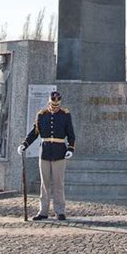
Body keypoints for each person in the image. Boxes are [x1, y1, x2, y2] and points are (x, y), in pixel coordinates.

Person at [18, 90, 75, 221]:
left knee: (58, 183)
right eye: (53, 105)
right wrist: (24, 145)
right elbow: (34, 133)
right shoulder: (41, 115)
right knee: (44, 184)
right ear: (49, 102)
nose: (55, 108)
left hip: (60, 152)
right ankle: (43, 211)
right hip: (45, 152)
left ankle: (60, 211)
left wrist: (70, 149)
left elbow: (71, 134)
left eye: (57, 105)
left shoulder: (65, 115)